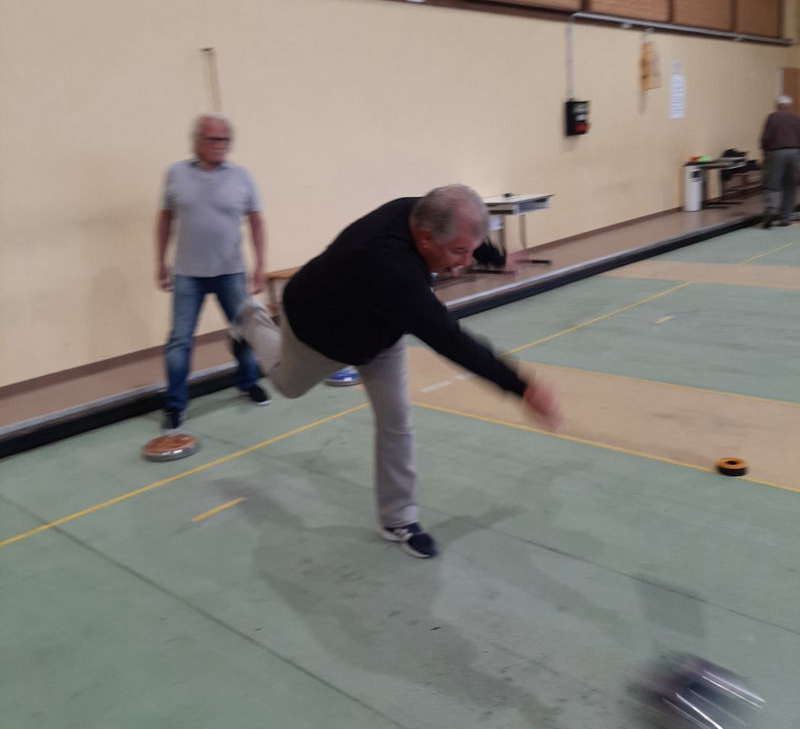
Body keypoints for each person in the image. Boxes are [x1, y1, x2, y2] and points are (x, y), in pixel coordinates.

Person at [231, 185, 561, 559]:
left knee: (397, 419)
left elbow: (464, 228)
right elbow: (449, 339)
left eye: (468, 252)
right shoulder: (391, 269)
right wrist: (521, 387)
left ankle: (398, 519)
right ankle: (250, 318)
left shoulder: (423, 212)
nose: (465, 262)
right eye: (458, 252)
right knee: (285, 384)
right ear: (426, 237)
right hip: (321, 331)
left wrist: (495, 257)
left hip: (381, 329)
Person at [156, 113, 270, 432]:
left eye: (224, 140)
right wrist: (160, 261)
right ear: (197, 141)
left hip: (230, 271)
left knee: (244, 332)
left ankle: (248, 382)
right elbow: (164, 219)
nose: (220, 145)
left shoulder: (242, 177)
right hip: (187, 274)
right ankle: (175, 405)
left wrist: (260, 265)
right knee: (179, 341)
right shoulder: (176, 174)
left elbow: (257, 222)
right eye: (213, 139)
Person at [759, 95, 800, 228]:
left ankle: (770, 209)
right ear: (788, 106)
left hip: (776, 152)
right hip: (794, 153)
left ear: (777, 105)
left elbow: (765, 138)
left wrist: (765, 154)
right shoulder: (796, 118)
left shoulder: (772, 117)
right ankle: (786, 217)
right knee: (790, 185)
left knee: (773, 183)